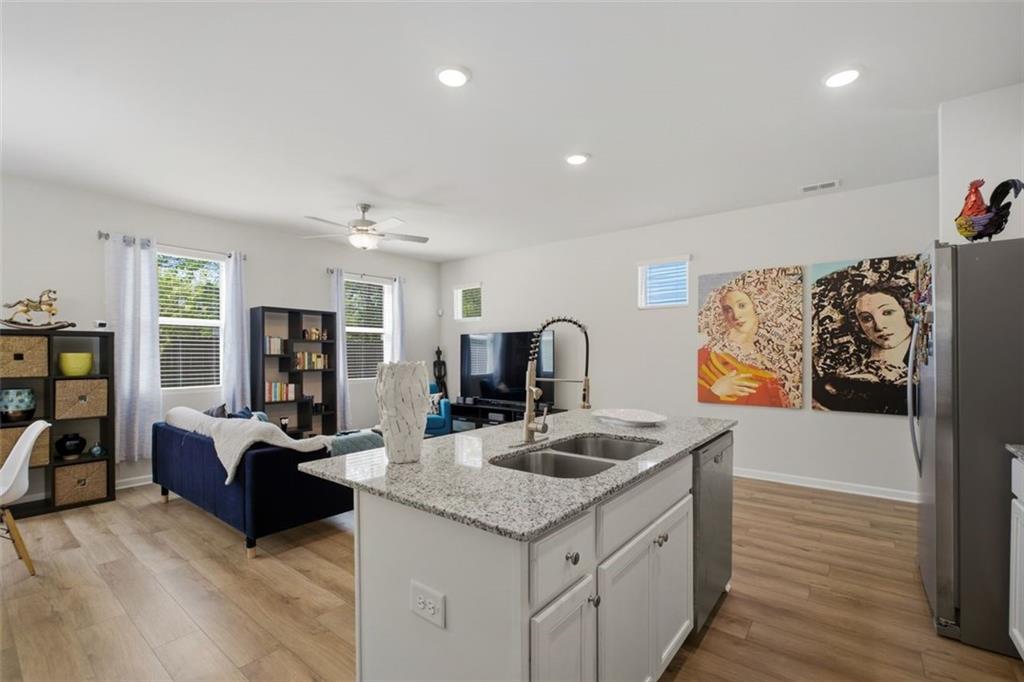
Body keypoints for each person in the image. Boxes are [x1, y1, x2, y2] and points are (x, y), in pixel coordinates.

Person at [697, 268, 803, 408]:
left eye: (742, 305)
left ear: (757, 305)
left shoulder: (778, 360)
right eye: (727, 309)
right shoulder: (707, 354)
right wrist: (716, 391)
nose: (735, 315)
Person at [813, 284, 913, 413]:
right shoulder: (851, 359)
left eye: (887, 313)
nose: (879, 326)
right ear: (858, 324)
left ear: (905, 310)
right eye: (866, 318)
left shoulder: (921, 349)